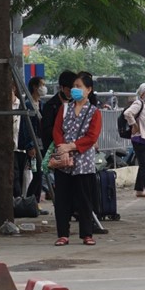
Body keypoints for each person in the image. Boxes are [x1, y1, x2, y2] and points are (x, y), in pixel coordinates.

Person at [52, 72, 102, 246]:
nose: (75, 89)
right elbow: (57, 131)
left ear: (89, 90)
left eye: (79, 86)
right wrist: (62, 148)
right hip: (63, 160)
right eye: (74, 86)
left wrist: (70, 146)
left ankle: (87, 234)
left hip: (84, 162)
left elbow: (92, 136)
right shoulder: (64, 108)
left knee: (84, 199)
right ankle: (63, 234)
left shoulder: (94, 111)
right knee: (62, 199)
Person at [18, 77, 46, 207]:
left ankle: (35, 204)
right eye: (42, 85)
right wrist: (30, 146)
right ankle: (30, 202)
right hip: (33, 147)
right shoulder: (28, 104)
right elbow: (27, 127)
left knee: (40, 174)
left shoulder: (41, 104)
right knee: (37, 174)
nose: (44, 88)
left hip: (41, 145)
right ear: (35, 87)